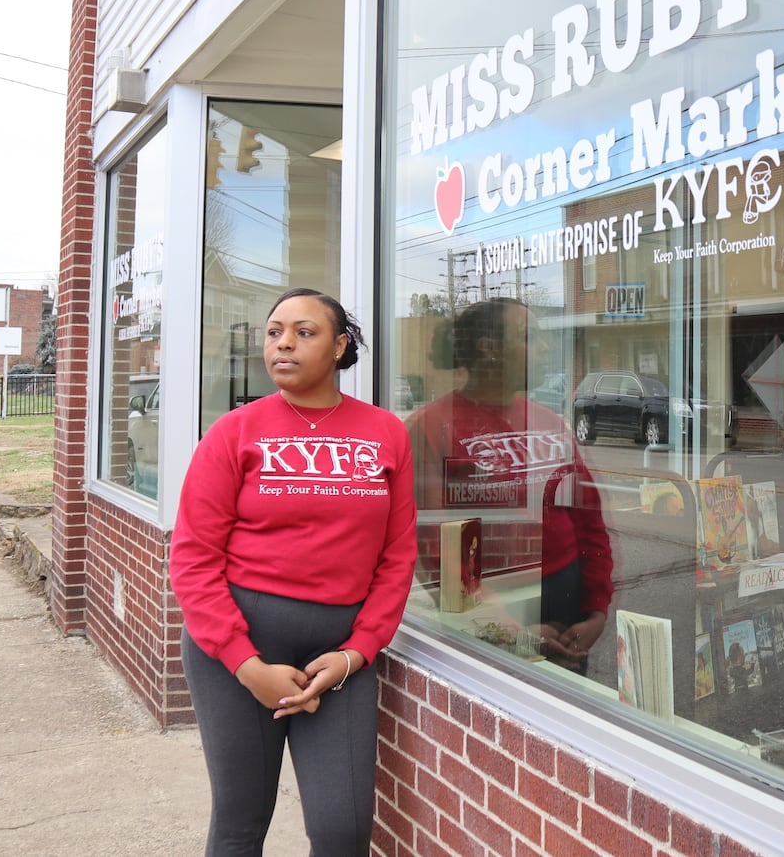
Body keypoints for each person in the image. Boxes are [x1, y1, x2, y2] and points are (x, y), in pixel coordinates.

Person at [170, 288, 417, 856]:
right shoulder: (234, 432)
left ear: (340, 347)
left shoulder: (385, 433)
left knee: (342, 829)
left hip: (340, 656)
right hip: (239, 646)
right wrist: (246, 665)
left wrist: (357, 652)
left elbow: (397, 555)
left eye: (304, 332)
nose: (283, 342)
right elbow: (193, 557)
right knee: (240, 822)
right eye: (274, 330)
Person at [407, 297, 613, 671]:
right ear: (490, 349)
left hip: (568, 608)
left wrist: (596, 610)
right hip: (488, 611)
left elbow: (589, 522)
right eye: (530, 337)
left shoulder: (549, 421)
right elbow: (437, 548)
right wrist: (507, 630)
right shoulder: (432, 426)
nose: (547, 346)